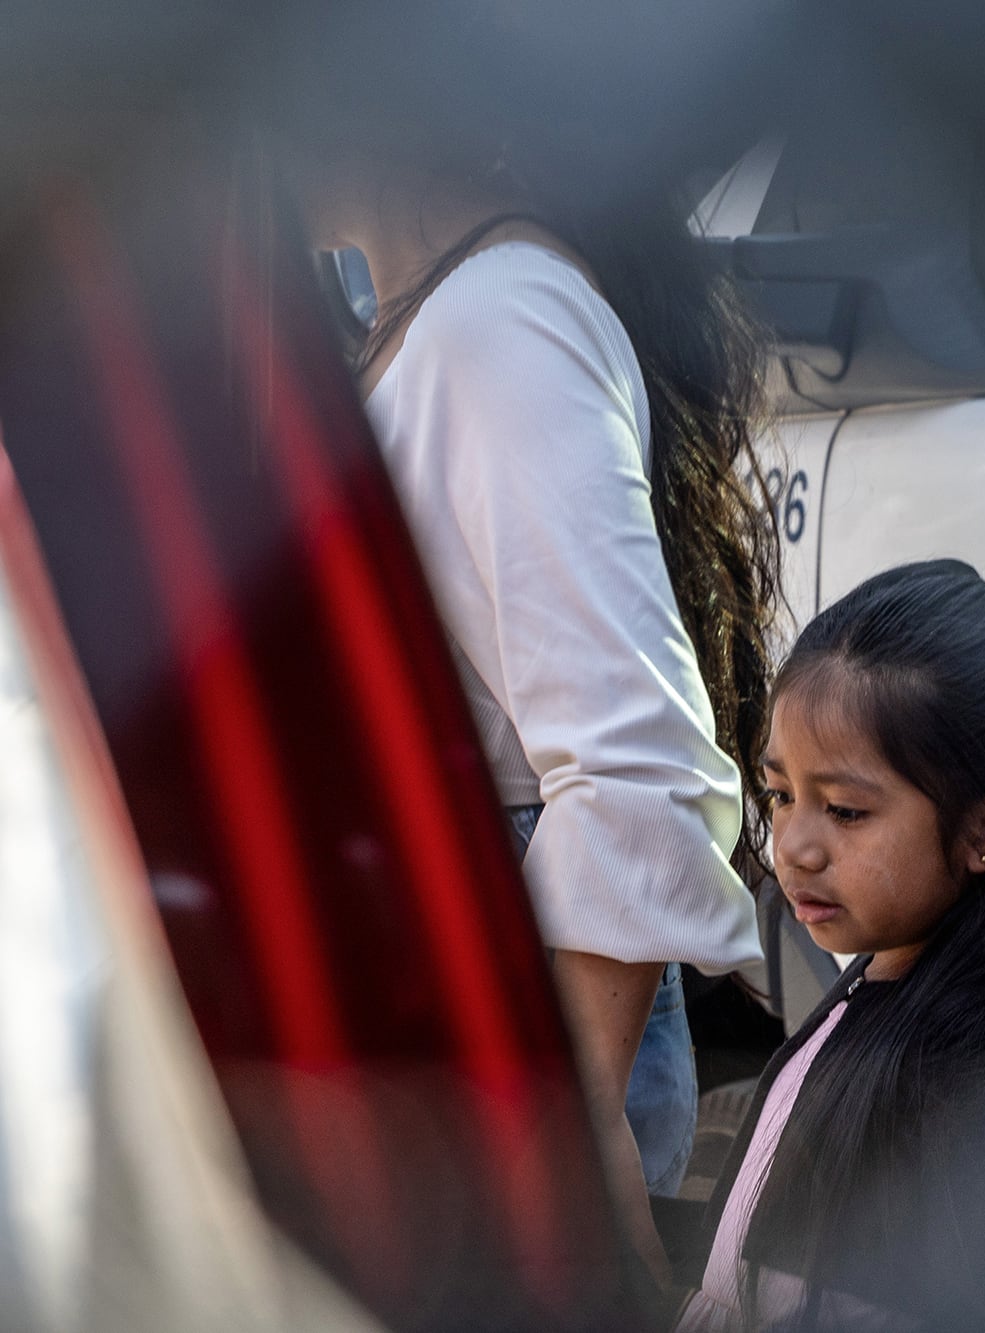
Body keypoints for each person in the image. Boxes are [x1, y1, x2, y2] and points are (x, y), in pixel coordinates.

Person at [281, 81, 777, 1280]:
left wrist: (565, 1112)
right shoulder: (435, 315)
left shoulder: (494, 321)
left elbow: (638, 760)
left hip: (517, 1015)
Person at [676, 560, 985, 1332]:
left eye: (846, 810)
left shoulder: (982, 1071)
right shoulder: (878, 987)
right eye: (781, 794)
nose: (793, 846)